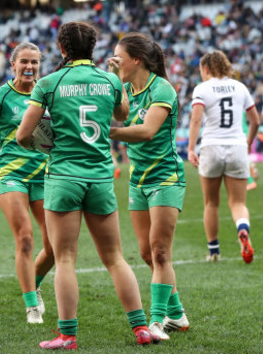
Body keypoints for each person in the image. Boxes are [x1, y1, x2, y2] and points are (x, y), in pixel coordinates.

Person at [16, 21, 159, 349]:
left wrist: (44, 144)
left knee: (65, 258)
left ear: (62, 48)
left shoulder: (49, 82)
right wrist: (117, 80)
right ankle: (140, 328)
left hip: (64, 178)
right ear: (93, 49)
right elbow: (122, 115)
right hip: (100, 177)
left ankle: (67, 335)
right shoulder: (109, 79)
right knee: (115, 258)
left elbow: (23, 135)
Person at [107, 32, 189, 340]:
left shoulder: (162, 88)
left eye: (118, 57)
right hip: (138, 179)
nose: (113, 61)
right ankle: (178, 313)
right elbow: (115, 111)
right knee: (145, 253)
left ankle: (157, 321)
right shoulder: (125, 88)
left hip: (165, 176)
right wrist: (114, 80)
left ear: (137, 59)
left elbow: (148, 131)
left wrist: (106, 133)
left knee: (159, 251)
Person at [0, 42, 54, 324]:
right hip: (12, 174)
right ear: (13, 65)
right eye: (24, 62)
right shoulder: (2, 95)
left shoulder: (47, 91)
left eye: (34, 62)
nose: (29, 67)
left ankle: (35, 282)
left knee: (55, 243)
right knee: (26, 238)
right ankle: (31, 304)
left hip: (45, 174)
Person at [187, 50, 259, 264]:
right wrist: (247, 142)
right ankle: (242, 230)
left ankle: (214, 250)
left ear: (207, 68)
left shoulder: (202, 89)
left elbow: (196, 120)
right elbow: (255, 121)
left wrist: (191, 148)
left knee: (211, 203)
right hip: (236, 146)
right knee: (237, 202)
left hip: (211, 147)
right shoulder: (240, 87)